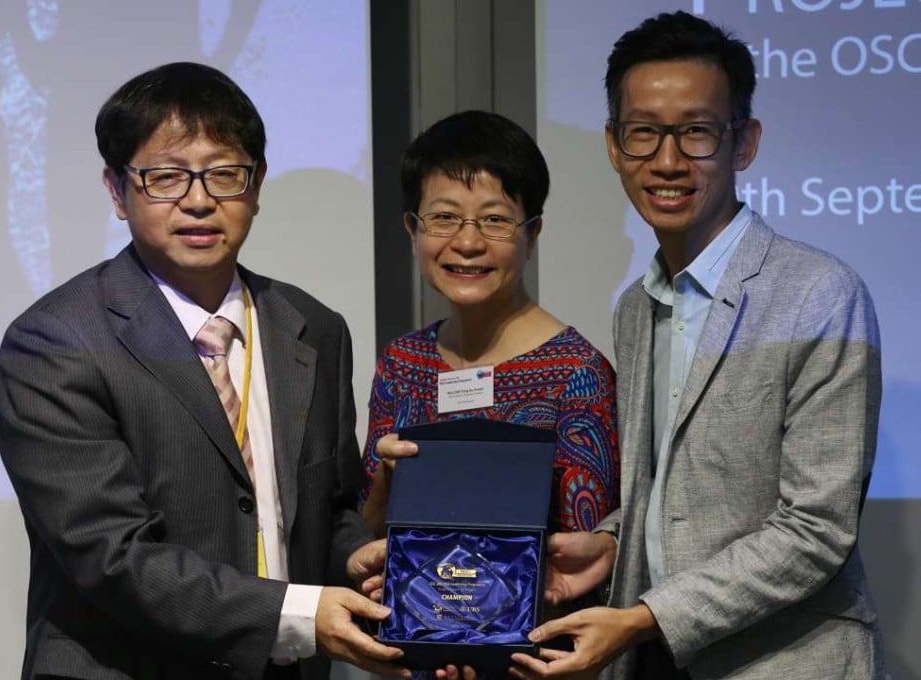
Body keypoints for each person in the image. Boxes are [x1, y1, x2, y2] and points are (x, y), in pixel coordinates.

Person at [0, 62, 406, 680]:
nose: (198, 200)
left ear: (256, 185)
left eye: (223, 173)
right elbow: (110, 553)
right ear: (117, 190)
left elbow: (329, 508)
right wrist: (294, 614)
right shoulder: (56, 341)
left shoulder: (313, 327)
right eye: (165, 176)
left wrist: (354, 559)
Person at [510, 11, 885, 680]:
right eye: (644, 131)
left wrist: (644, 617)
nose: (667, 160)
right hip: (658, 663)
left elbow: (818, 529)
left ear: (745, 143)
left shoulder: (820, 293)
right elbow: (674, 489)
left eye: (697, 132)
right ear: (613, 146)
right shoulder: (635, 306)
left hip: (790, 663)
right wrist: (611, 542)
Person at [360, 110, 619, 548]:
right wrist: (388, 480)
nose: (467, 243)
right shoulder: (401, 364)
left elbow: (583, 552)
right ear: (412, 229)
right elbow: (369, 534)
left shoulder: (578, 373)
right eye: (444, 217)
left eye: (495, 220)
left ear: (532, 234)